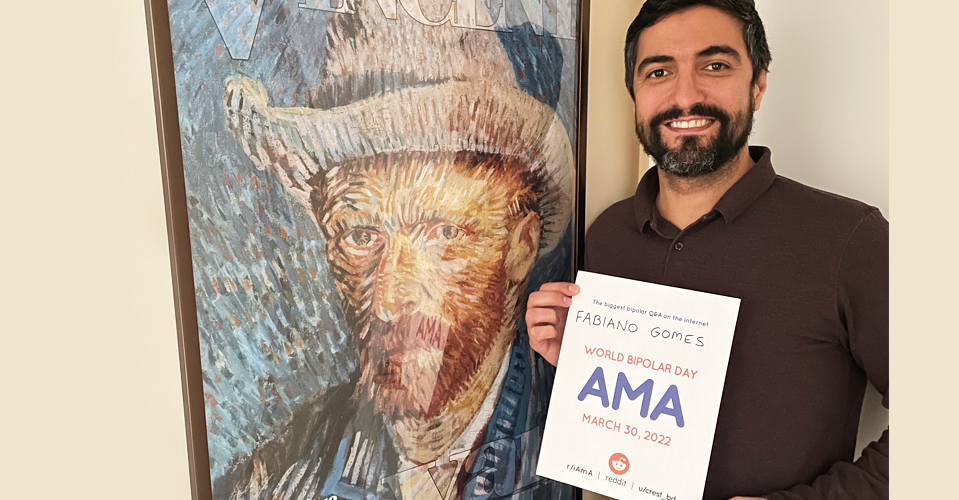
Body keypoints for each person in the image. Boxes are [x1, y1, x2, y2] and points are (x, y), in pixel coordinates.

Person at [213, 3, 578, 499]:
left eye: (443, 233)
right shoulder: (276, 479)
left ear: (520, 246)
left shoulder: (582, 436)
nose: (388, 297)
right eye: (361, 237)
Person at [526, 1, 888, 499]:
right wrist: (583, 359)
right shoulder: (607, 235)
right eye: (658, 71)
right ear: (635, 94)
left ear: (758, 84)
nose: (685, 95)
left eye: (715, 65)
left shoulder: (850, 238)